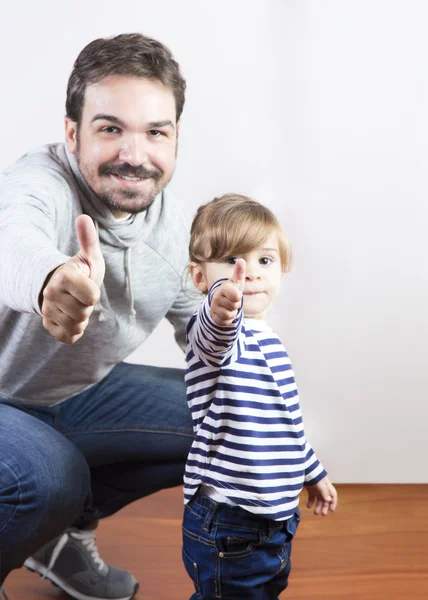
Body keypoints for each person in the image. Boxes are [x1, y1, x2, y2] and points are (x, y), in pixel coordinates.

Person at [0, 33, 200, 600]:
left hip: (66, 399)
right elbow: (12, 236)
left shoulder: (174, 230)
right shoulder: (39, 184)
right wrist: (49, 281)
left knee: (224, 418)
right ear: (73, 133)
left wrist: (236, 322)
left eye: (155, 132)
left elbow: (206, 343)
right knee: (48, 476)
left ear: (175, 138)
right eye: (110, 128)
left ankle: (59, 540)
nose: (134, 155)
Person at [182, 194, 338, 599]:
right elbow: (214, 332)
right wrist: (221, 308)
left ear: (282, 270)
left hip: (275, 520)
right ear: (200, 278)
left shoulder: (270, 342)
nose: (249, 273)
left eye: (264, 260)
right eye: (234, 260)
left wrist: (313, 472)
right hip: (230, 521)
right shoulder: (217, 339)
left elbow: (285, 424)